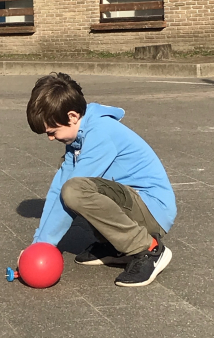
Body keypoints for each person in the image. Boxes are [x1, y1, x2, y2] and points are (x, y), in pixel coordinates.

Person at [25, 72, 177, 287]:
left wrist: (44, 247)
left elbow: (70, 193)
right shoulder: (78, 139)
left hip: (153, 210)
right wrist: (39, 245)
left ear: (72, 116)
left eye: (52, 132)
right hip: (132, 202)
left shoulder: (100, 134)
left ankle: (148, 249)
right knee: (70, 188)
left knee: (76, 191)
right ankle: (116, 246)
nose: (50, 138)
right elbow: (57, 189)